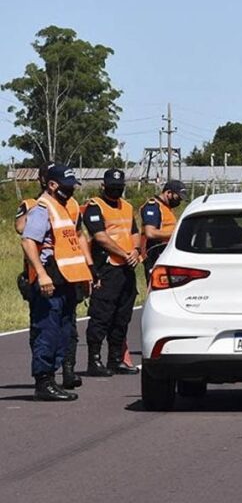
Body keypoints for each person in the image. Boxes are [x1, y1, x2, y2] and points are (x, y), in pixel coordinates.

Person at [21, 165, 94, 401]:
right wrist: (41, 274)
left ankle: (54, 377)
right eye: (66, 185)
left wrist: (85, 275)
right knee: (47, 331)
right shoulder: (43, 208)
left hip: (66, 279)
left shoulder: (64, 207)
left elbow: (74, 243)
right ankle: (44, 382)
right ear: (52, 185)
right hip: (49, 278)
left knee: (63, 331)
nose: (71, 189)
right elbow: (28, 241)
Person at [81, 168, 142, 376]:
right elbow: (100, 236)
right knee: (101, 315)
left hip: (126, 269)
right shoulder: (94, 206)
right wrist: (124, 253)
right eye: (112, 187)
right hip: (106, 268)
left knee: (122, 316)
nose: (116, 191)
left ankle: (115, 359)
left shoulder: (127, 206)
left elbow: (135, 232)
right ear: (103, 186)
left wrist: (135, 251)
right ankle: (94, 361)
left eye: (119, 187)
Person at [141, 180, 187, 279]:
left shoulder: (166, 207)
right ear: (168, 193)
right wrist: (176, 235)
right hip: (154, 255)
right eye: (177, 197)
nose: (179, 201)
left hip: (165, 254)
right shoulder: (153, 207)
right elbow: (150, 233)